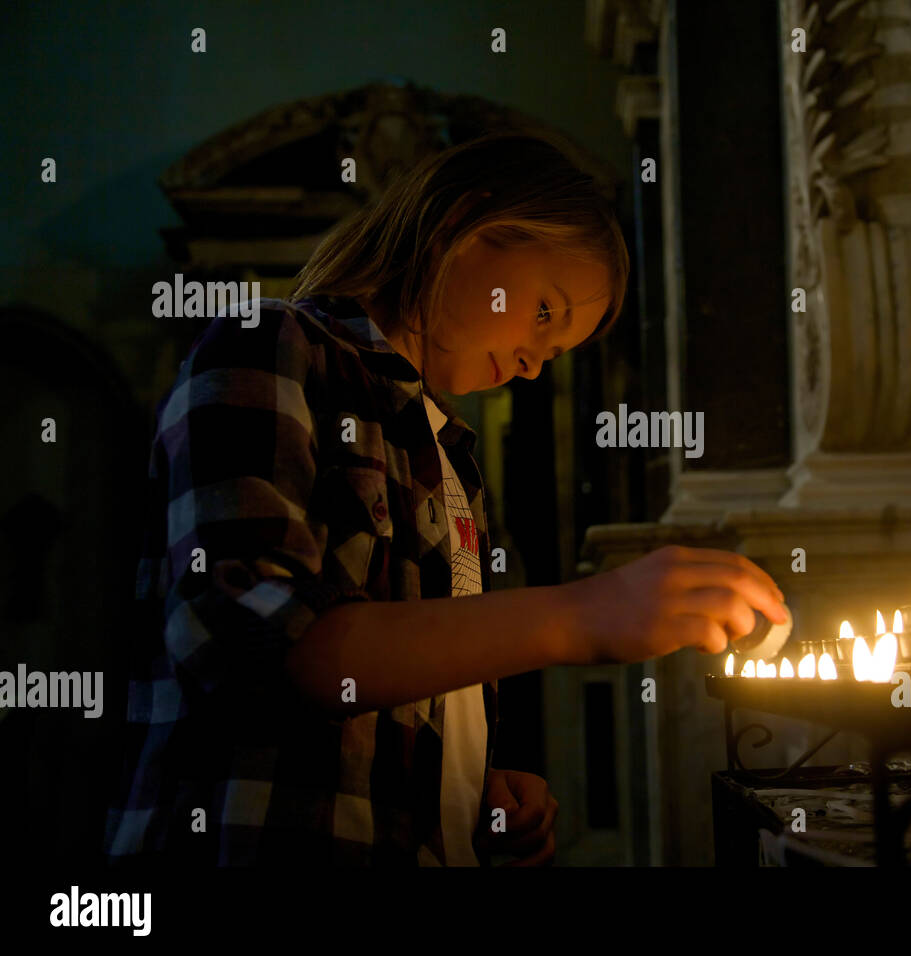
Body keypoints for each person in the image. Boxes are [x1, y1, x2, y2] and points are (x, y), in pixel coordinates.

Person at [103, 130, 787, 867]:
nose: (531, 364)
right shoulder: (267, 344)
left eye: (554, 354)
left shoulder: (452, 456)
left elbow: (387, 680)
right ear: (463, 226)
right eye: (546, 313)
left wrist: (461, 781)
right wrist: (583, 613)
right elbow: (244, 643)